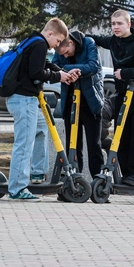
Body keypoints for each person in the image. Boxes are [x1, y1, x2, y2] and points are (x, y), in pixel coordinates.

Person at [6, 18, 78, 201]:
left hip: (21, 99)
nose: (56, 47)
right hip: (24, 100)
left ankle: (37, 172)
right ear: (50, 33)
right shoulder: (39, 44)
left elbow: (44, 65)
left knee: (40, 129)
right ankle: (17, 189)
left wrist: (61, 73)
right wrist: (57, 76)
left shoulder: (32, 41)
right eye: (57, 41)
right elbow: (36, 73)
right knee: (23, 144)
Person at [88, 9, 134, 187]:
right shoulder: (114, 41)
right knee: (122, 134)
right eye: (113, 24)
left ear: (128, 25)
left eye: (119, 24)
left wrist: (124, 73)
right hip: (124, 93)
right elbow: (96, 39)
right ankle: (125, 174)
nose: (115, 27)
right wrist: (76, 37)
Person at [52, 31, 105, 178]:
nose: (66, 56)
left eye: (67, 53)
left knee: (94, 144)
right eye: (63, 55)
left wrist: (70, 70)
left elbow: (93, 66)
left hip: (90, 101)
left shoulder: (89, 43)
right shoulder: (61, 49)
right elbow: (55, 66)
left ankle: (98, 179)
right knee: (72, 143)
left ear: (71, 42)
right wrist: (71, 71)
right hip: (70, 99)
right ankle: (74, 177)